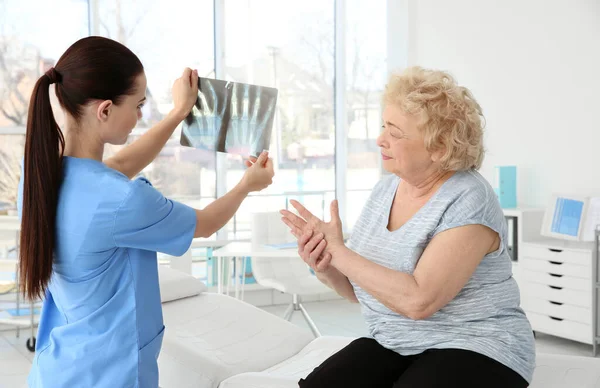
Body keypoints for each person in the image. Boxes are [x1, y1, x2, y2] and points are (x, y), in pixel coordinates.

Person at [18, 36, 274, 388]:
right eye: (137, 105)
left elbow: (118, 166)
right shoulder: (122, 200)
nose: (140, 116)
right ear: (105, 110)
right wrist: (248, 184)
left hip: (58, 369)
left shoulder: (40, 178)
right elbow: (205, 224)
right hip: (111, 375)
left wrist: (178, 113)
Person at [280, 66, 535, 388]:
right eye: (383, 126)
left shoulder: (469, 197)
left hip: (477, 343)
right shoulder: (384, 190)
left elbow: (419, 302)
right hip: (395, 342)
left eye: (395, 133)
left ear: (439, 147)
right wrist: (325, 265)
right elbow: (362, 293)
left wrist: (340, 253)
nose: (380, 140)